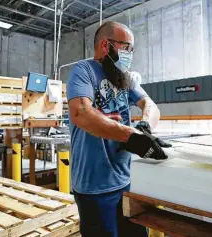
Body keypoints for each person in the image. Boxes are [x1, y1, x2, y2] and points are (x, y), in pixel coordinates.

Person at [66, 21, 171, 237]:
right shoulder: (83, 70)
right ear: (106, 45)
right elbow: (81, 113)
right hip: (94, 186)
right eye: (127, 47)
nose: (130, 54)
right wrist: (131, 137)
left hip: (127, 181)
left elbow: (150, 105)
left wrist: (144, 126)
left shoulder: (125, 78)